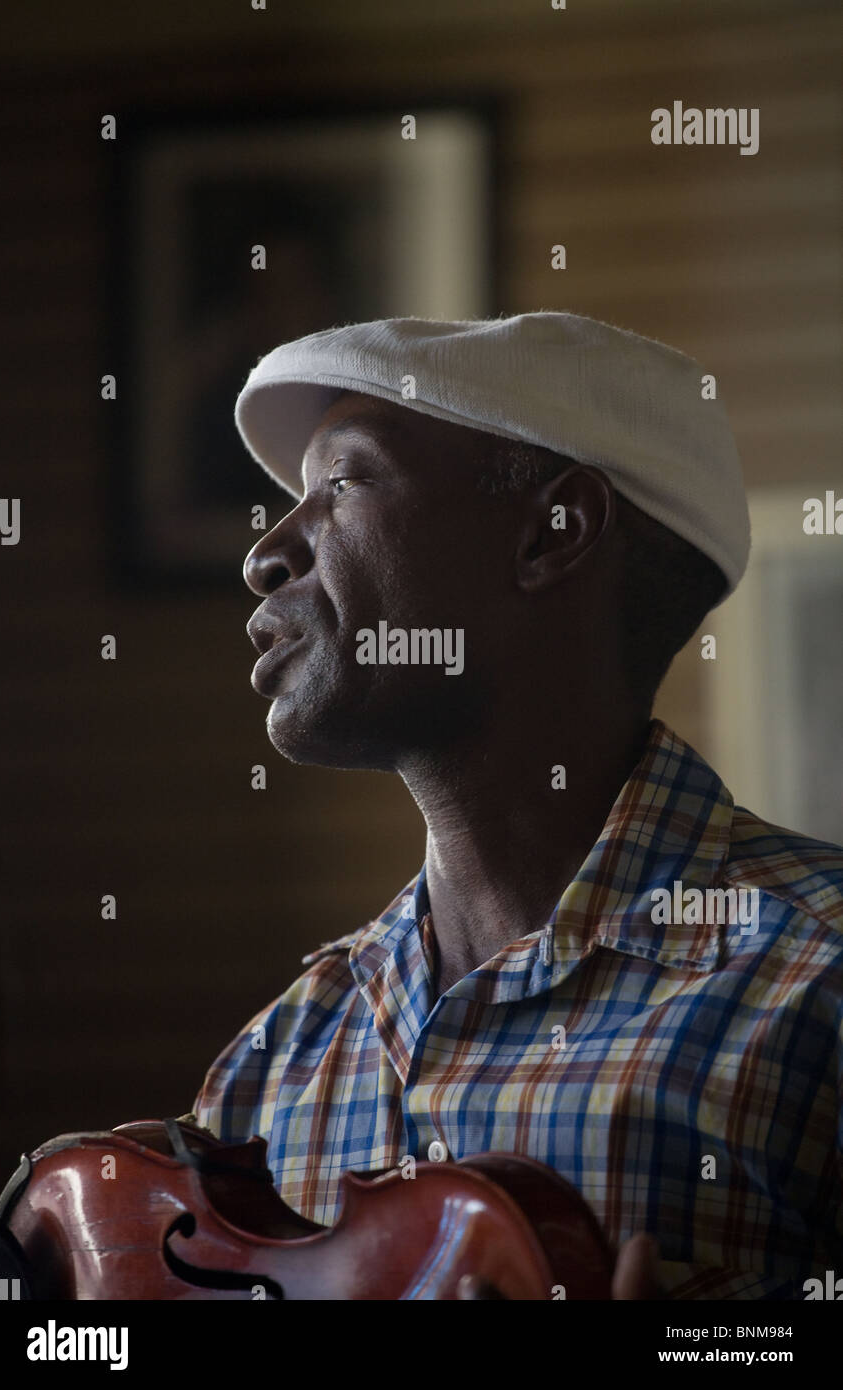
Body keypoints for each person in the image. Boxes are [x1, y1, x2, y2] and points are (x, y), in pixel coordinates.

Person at [192, 312, 843, 1299]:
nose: (267, 555)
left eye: (341, 482)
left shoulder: (820, 979)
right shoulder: (270, 1066)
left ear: (551, 530)